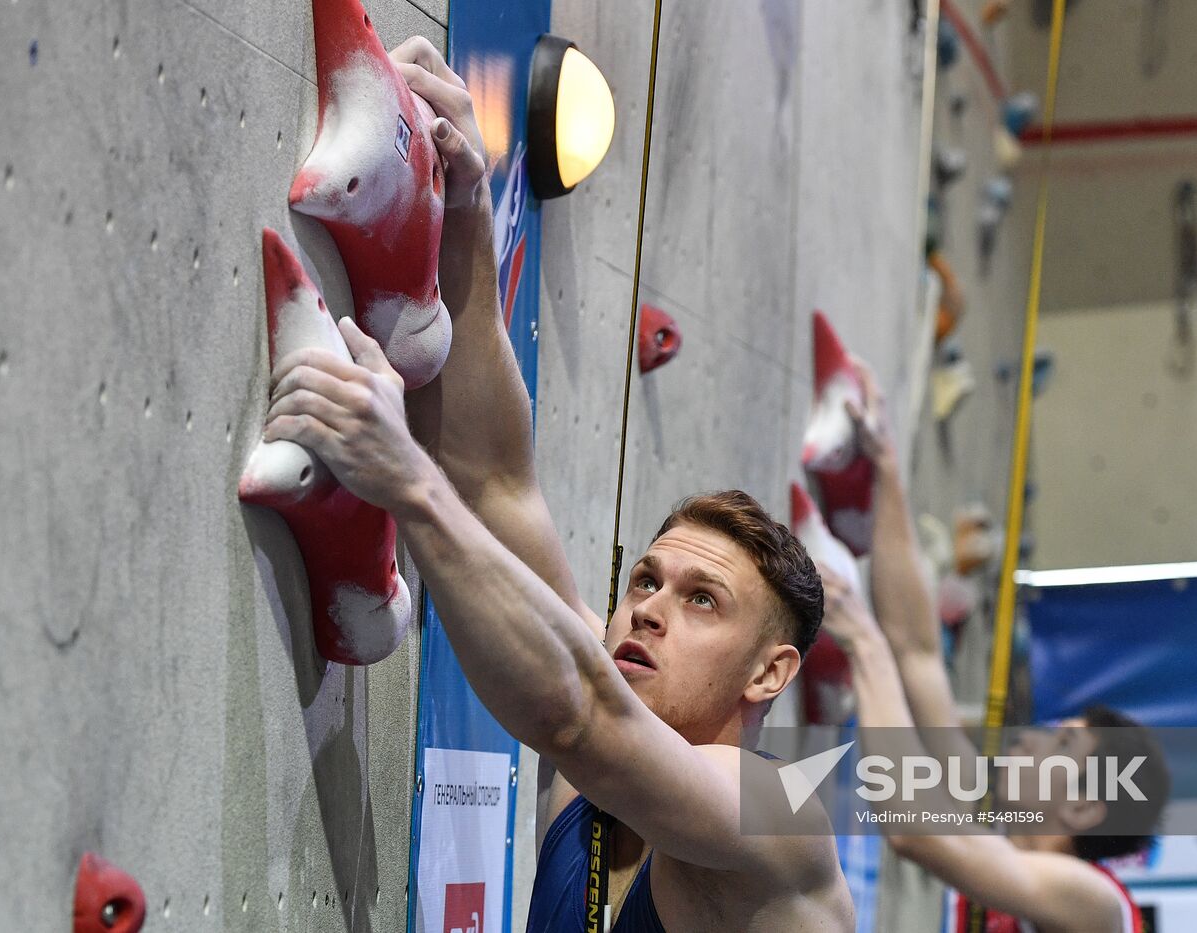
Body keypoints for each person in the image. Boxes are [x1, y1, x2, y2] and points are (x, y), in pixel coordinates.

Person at [263, 36, 853, 933]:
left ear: (770, 670)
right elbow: (498, 484)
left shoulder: (777, 818)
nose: (649, 609)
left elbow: (578, 721)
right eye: (647, 580)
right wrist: (463, 210)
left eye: (703, 602)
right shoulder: (606, 712)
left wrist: (405, 484)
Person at [813, 361, 1167, 933]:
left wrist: (861, 642)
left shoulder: (1096, 906)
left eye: (1060, 743)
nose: (1029, 736)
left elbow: (914, 831)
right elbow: (918, 654)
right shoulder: (1000, 826)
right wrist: (887, 471)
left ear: (1081, 807)